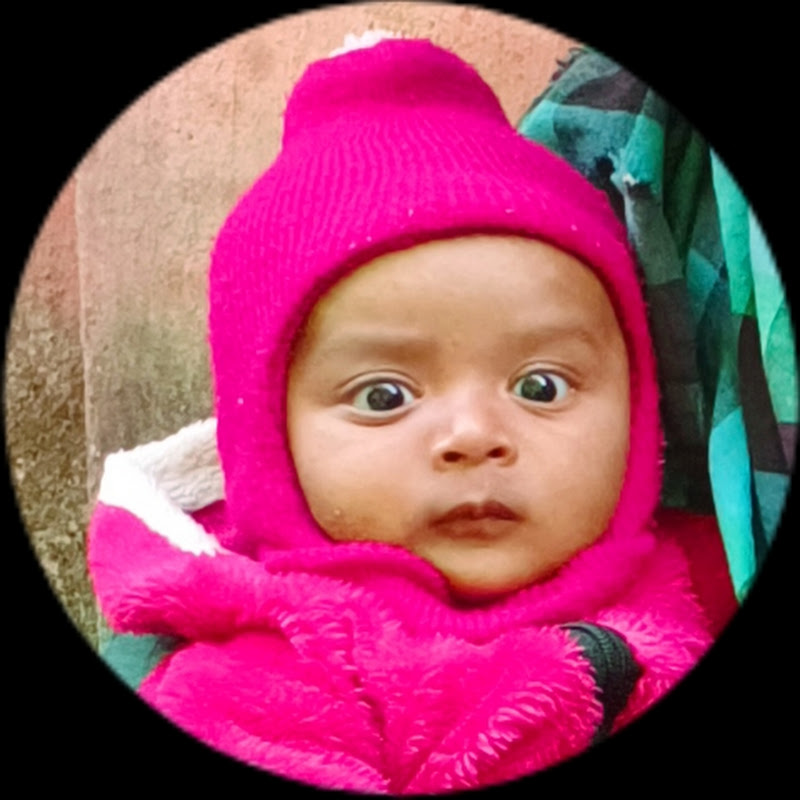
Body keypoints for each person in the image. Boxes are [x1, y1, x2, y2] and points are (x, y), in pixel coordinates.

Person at [87, 37, 737, 793]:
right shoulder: (262, 688)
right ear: (268, 443)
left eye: (541, 386)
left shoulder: (714, 576)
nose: (474, 436)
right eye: (384, 396)